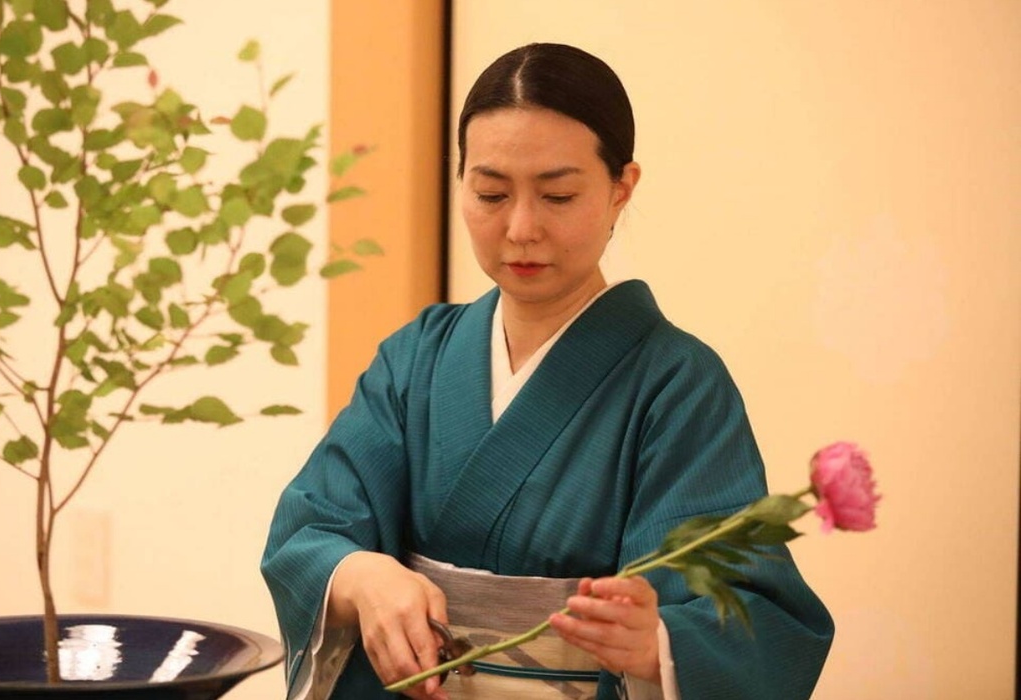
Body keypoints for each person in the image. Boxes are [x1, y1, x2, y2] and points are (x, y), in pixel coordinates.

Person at [262, 42, 833, 700]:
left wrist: (661, 642)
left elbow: (755, 615)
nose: (521, 228)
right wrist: (365, 577)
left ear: (621, 188)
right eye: (491, 193)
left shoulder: (678, 385)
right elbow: (309, 530)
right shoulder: (414, 359)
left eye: (558, 195)